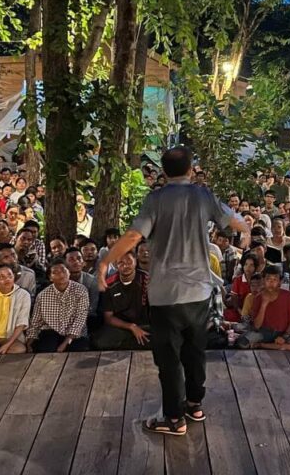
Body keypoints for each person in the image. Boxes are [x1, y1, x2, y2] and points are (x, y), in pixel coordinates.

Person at [97, 146, 250, 437]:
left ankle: (174, 418)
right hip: (199, 292)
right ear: (191, 170)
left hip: (165, 295)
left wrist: (106, 262)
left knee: (169, 359)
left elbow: (134, 235)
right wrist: (246, 229)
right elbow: (235, 221)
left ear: (164, 172)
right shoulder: (203, 196)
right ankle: (194, 404)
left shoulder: (155, 199)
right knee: (195, 351)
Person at [28, 258, 90, 352]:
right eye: (55, 272)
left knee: (77, 350)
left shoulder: (81, 290)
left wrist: (65, 342)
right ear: (50, 277)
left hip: (74, 334)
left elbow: (80, 319)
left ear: (69, 272)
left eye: (63, 271)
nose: (61, 274)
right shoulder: (42, 295)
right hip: (51, 331)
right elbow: (35, 322)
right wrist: (29, 342)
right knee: (45, 350)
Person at [92, 250, 151, 350]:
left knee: (159, 338)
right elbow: (108, 318)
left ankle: (129, 343)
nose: (125, 265)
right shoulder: (109, 284)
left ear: (135, 262)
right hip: (121, 326)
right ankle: (132, 343)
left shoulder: (147, 280)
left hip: (144, 325)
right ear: (116, 265)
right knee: (100, 342)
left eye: (129, 262)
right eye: (121, 263)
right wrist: (131, 326)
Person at [236, 265, 290, 350]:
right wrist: (264, 304)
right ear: (263, 280)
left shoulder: (288, 295)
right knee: (242, 343)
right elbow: (256, 326)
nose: (271, 282)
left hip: (283, 333)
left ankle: (261, 345)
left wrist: (285, 336)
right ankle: (272, 346)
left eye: (275, 280)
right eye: (268, 279)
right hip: (264, 333)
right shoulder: (258, 297)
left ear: (280, 282)